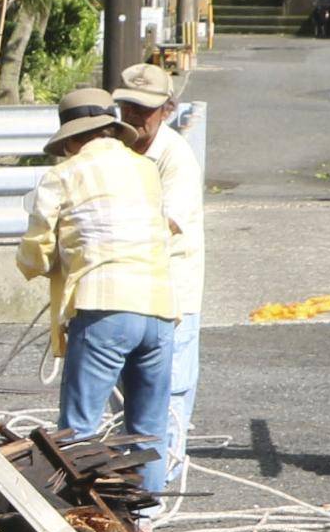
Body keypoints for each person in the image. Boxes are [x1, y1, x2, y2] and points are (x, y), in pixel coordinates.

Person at [15, 87, 179, 492]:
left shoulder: (63, 175)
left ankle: (84, 524)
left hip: (104, 306)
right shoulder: (145, 169)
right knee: (148, 429)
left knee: (79, 429)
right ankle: (145, 521)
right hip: (159, 308)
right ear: (110, 128)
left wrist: (41, 264)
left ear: (72, 137)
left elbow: (35, 251)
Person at [115, 62, 206, 473]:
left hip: (172, 295)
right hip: (127, 291)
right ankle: (131, 485)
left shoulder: (175, 157)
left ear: (167, 109)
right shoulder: (115, 150)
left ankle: (158, 489)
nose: (133, 115)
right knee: (126, 394)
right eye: (127, 106)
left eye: (144, 108)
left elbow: (167, 223)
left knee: (167, 393)